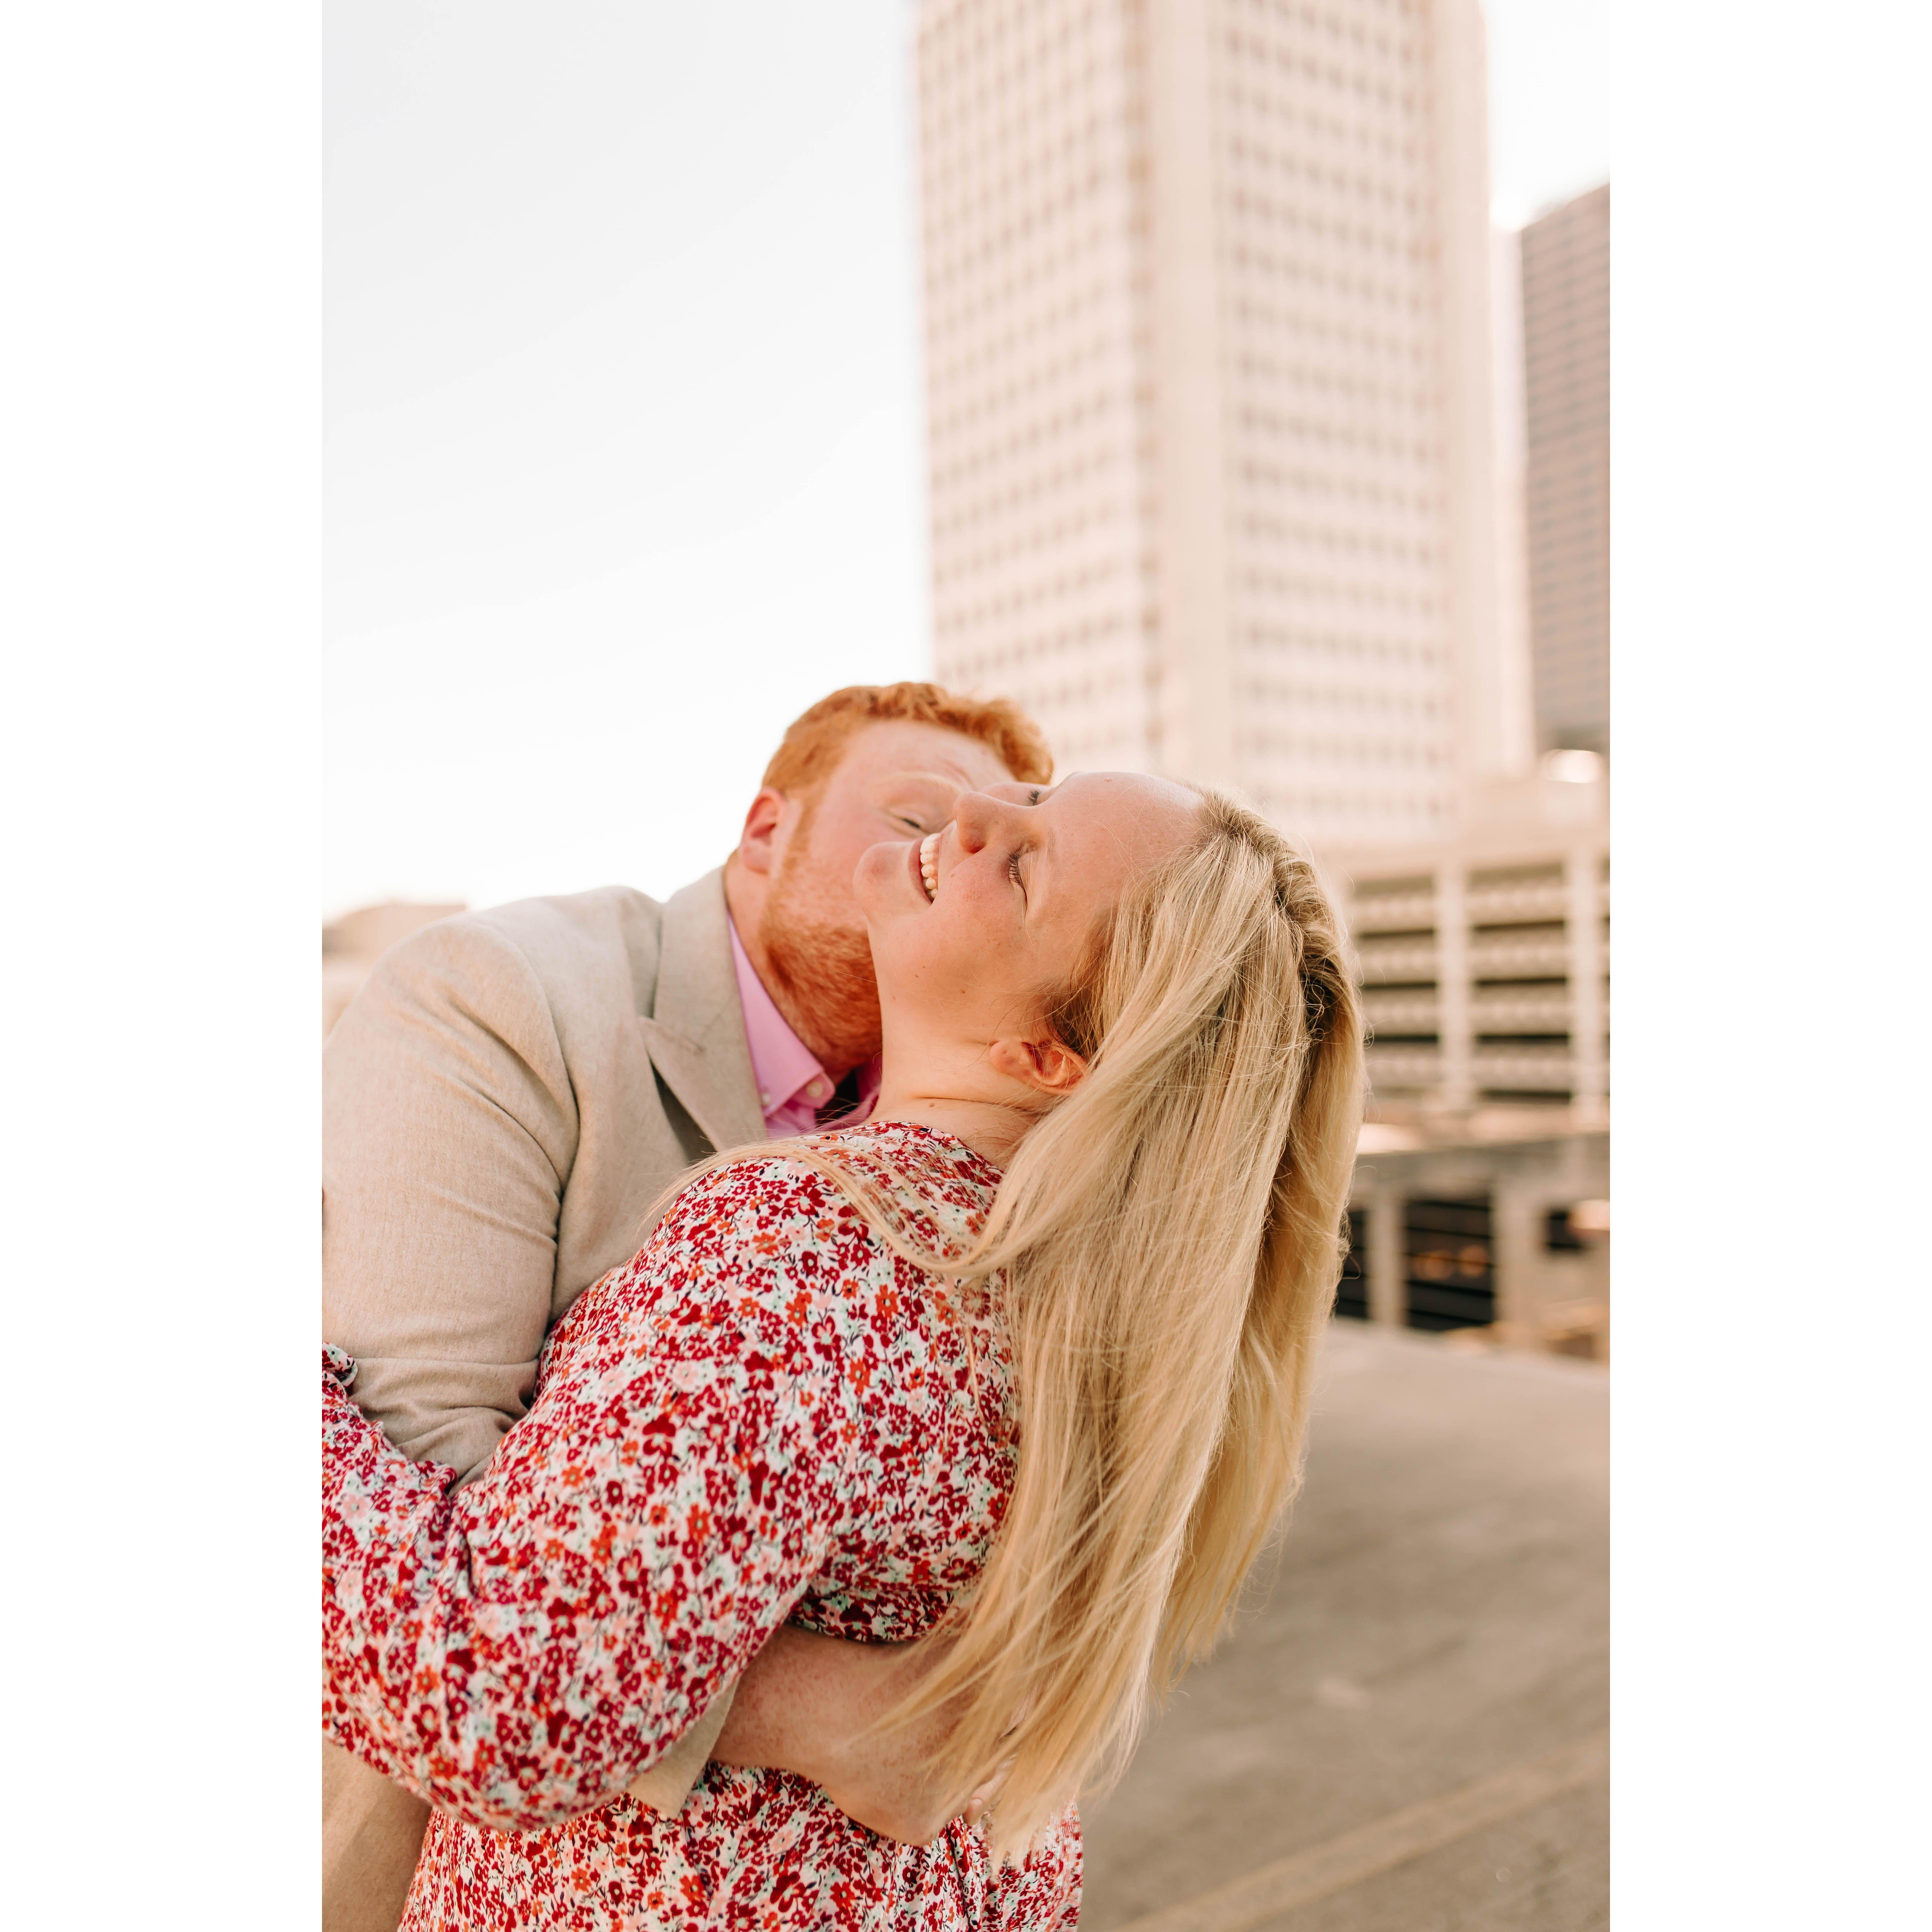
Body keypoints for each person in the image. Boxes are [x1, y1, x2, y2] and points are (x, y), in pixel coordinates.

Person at [323, 773, 1366, 1929]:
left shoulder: (807, 1249)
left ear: (1045, 1055)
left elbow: (500, 1699)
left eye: (1023, 866)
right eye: (1030, 797)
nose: (969, 816)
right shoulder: (1096, 1313)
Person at [322, 683, 1053, 1931]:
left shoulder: (993, 1112)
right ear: (766, 830)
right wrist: (812, 1707)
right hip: (477, 1846)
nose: (951, 853)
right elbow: (419, 1460)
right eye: (919, 814)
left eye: (1007, 850)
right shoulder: (500, 993)